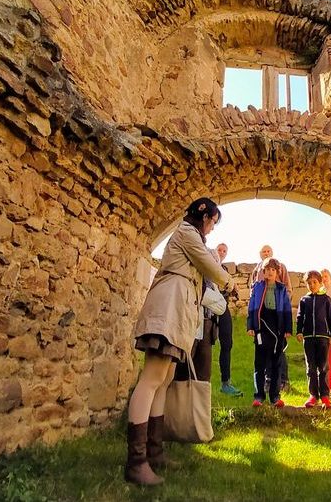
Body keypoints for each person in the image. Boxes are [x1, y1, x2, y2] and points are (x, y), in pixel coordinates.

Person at [126, 198, 234, 486]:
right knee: (152, 379)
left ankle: (154, 451)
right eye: (213, 221)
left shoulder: (191, 236)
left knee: (164, 379)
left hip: (177, 312)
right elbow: (209, 264)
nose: (212, 228)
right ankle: (136, 462)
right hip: (167, 309)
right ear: (205, 216)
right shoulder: (187, 232)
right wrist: (229, 282)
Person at [247, 258, 293, 408]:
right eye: (267, 270)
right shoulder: (257, 287)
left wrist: (287, 328)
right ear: (263, 272)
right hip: (262, 326)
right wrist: (251, 326)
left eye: (273, 270)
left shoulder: (282, 289)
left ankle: (274, 397)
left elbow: (287, 309)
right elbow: (252, 308)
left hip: (277, 327)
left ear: (277, 272)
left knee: (276, 363)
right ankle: (259, 396)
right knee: (259, 364)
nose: (270, 273)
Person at [296, 270, 331, 409]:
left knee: (323, 367)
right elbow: (300, 317)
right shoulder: (304, 300)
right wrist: (299, 332)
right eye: (309, 283)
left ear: (320, 283)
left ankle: (325, 395)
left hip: (323, 337)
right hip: (308, 337)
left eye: (315, 282)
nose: (312, 285)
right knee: (311, 367)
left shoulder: (326, 299)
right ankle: (313, 395)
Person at [214, 242, 243, 396]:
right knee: (202, 343)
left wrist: (233, 291)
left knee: (227, 343)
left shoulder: (225, 270)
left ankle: (226, 383)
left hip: (222, 306)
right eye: (220, 249)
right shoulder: (209, 262)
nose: (222, 252)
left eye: (224, 251)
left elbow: (227, 288)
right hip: (207, 305)